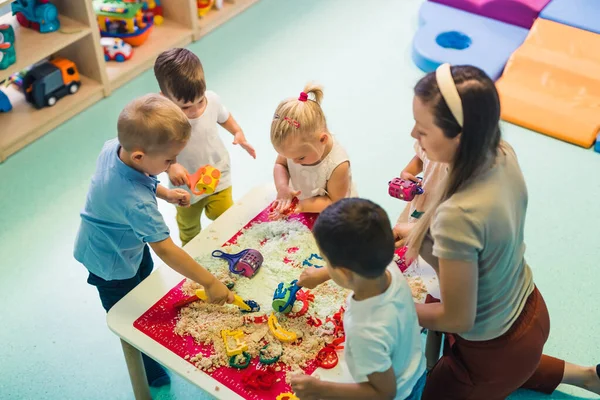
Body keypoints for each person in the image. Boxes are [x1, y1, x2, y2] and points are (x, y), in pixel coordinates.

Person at [394, 63, 600, 399]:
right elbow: (482, 234)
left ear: (459, 136)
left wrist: (393, 306)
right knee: (517, 363)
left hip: (491, 349)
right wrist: (419, 231)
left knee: (447, 385)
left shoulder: (457, 215)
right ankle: (588, 376)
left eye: (422, 131)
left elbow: (457, 318)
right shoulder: (500, 152)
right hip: (528, 306)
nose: (413, 137)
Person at [74, 94, 234, 387]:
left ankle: (148, 307)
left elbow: (141, 178)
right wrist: (210, 282)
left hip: (126, 242)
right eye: (169, 160)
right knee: (129, 315)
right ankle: (150, 369)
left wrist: (165, 193)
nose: (174, 164)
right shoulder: (136, 204)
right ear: (139, 155)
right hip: (109, 262)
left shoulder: (115, 148)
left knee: (145, 285)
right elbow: (166, 249)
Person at [292, 198, 426, 400]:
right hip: (414, 368)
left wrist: (319, 388)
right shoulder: (386, 266)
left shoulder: (365, 329)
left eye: (325, 260)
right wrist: (324, 273)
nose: (325, 265)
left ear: (345, 273)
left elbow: (383, 393)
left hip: (399, 392)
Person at [154, 48, 256, 246]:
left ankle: (235, 245)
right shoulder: (164, 120)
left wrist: (238, 132)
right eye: (185, 107)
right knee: (188, 225)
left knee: (226, 215)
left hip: (218, 174)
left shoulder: (213, 100)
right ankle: (191, 252)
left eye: (200, 102)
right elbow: (157, 153)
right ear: (165, 98)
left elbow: (224, 117)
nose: (194, 111)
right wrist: (170, 166)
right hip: (185, 186)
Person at [270, 83, 356, 217]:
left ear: (322, 140)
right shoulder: (296, 148)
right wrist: (282, 187)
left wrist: (298, 206)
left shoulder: (338, 165)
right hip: (304, 203)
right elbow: (280, 164)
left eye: (300, 158)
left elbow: (334, 201)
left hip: (333, 212)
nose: (294, 162)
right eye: (288, 156)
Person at [396, 141, 447, 225]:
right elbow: (423, 156)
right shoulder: (431, 138)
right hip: (421, 207)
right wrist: (407, 172)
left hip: (444, 217)